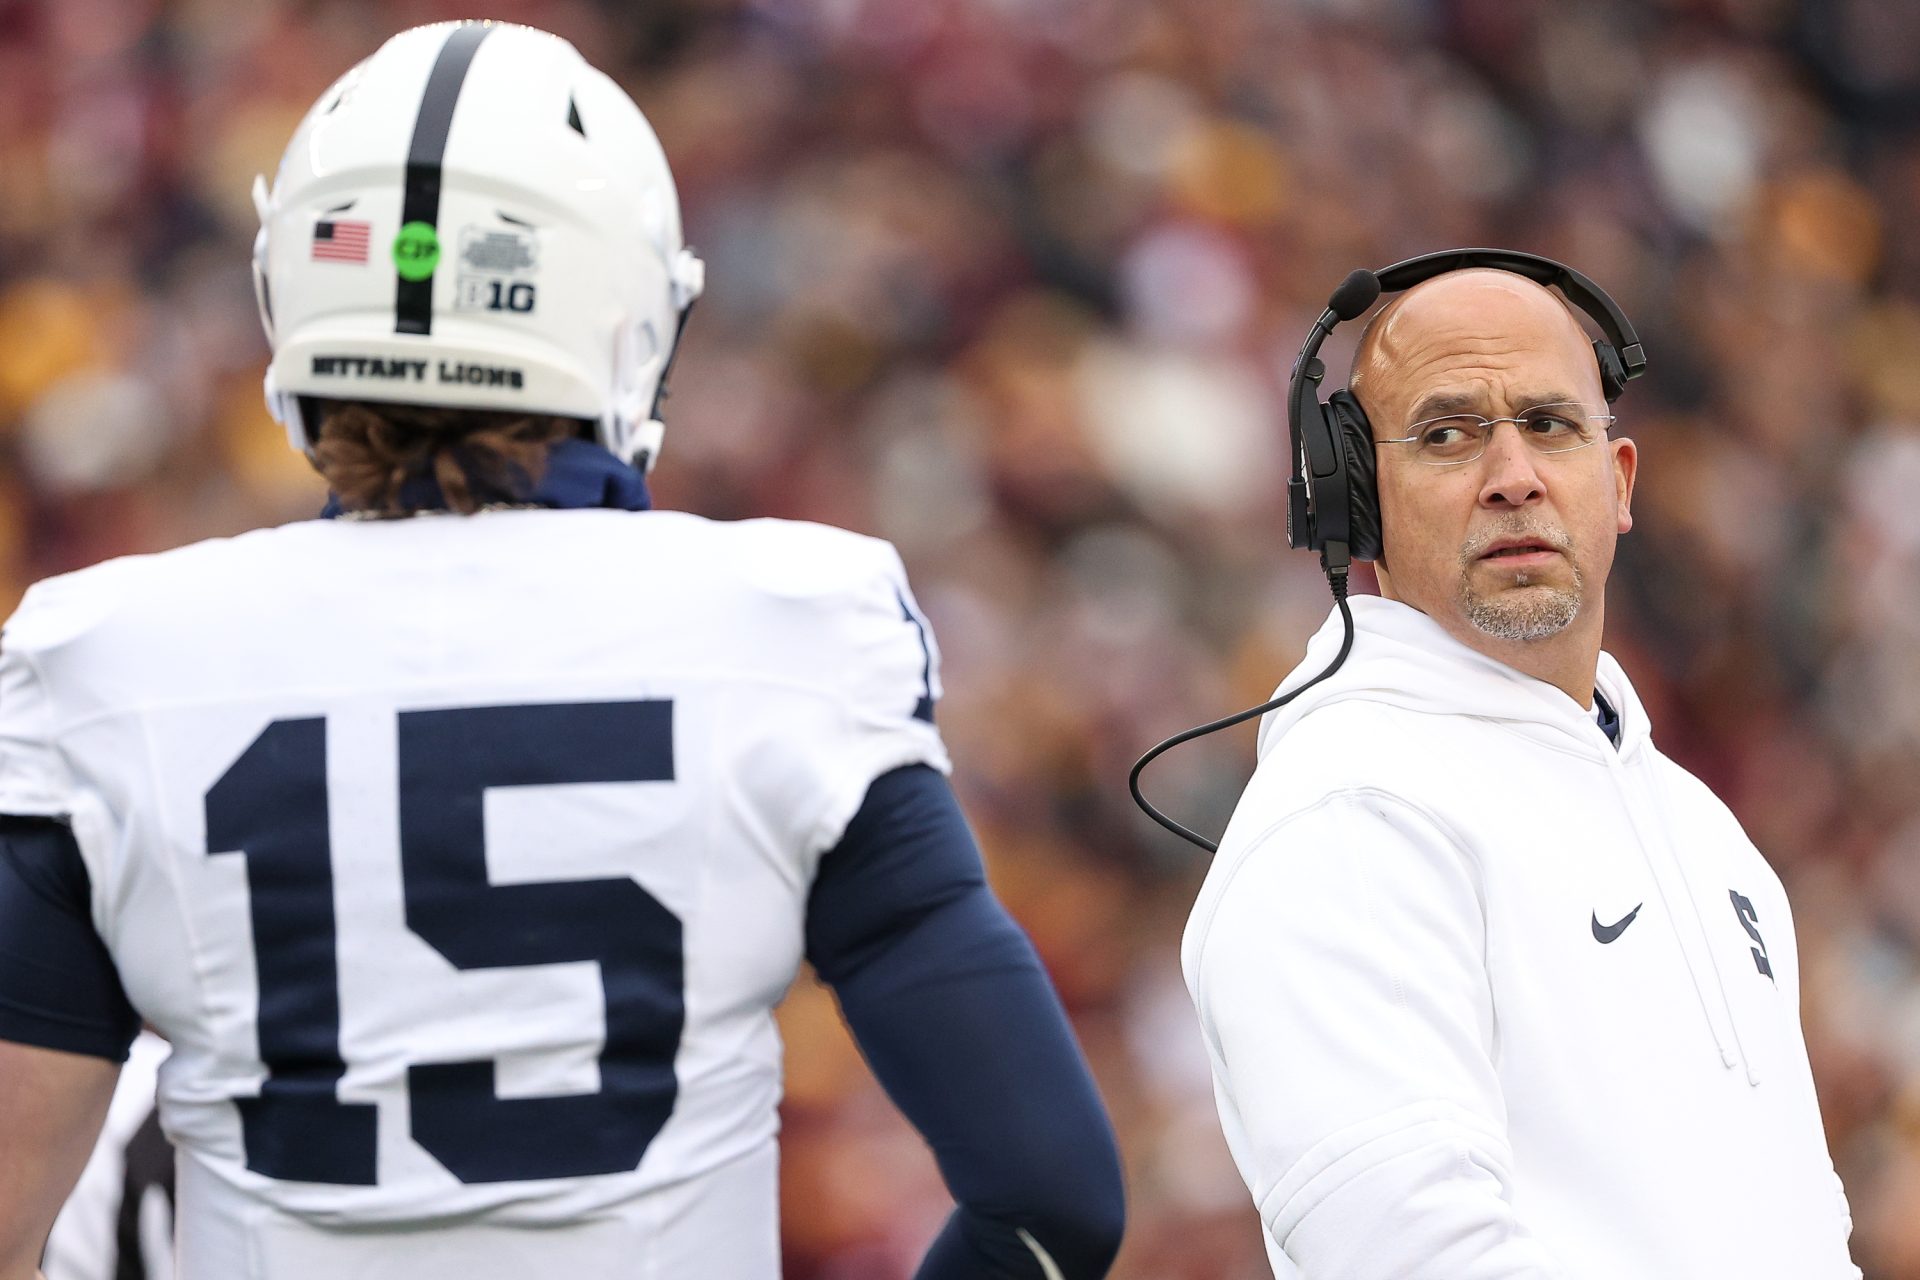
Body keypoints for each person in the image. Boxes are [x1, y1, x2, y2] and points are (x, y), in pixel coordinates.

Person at [0, 22, 1123, 1280]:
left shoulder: (106, 660)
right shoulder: (787, 625)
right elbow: (1050, 1197)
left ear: (293, 289)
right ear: (625, 306)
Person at [1180, 262, 1859, 1277]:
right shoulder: (1350, 815)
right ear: (1355, 499)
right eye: (1448, 433)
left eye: (1548, 424)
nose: (1513, 474)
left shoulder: (1702, 823)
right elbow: (1417, 1256)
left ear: (1618, 480)